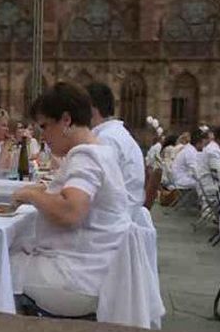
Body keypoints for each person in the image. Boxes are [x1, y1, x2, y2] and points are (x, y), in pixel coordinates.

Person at [10, 82, 138, 318]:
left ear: (66, 120)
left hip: (77, 278)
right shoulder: (100, 150)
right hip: (97, 268)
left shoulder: (86, 154)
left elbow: (71, 212)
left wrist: (32, 195)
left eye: (45, 126)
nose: (43, 135)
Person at [87, 83, 145, 214]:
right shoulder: (115, 132)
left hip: (118, 214)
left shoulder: (106, 139)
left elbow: (97, 186)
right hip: (126, 206)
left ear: (91, 110)